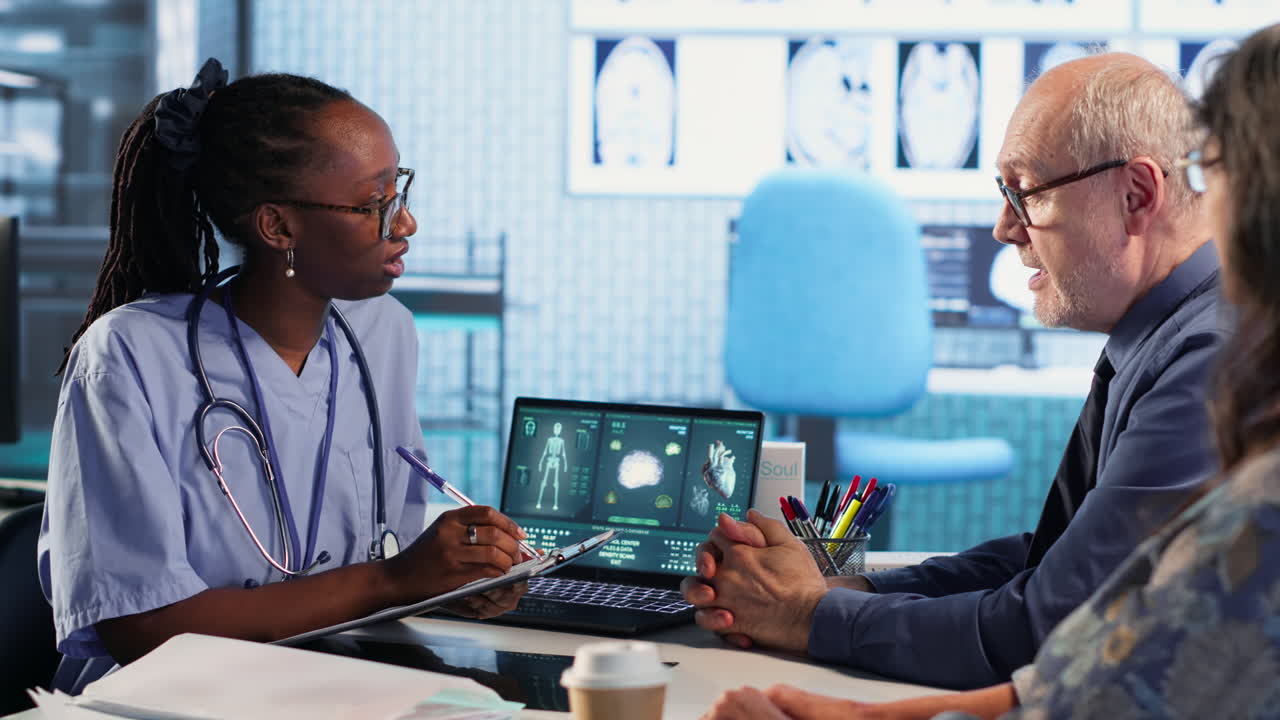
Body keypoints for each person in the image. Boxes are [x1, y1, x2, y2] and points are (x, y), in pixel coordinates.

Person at [701, 22, 1280, 719]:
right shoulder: (1161, 333)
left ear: (1136, 195)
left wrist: (805, 616)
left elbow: (1045, 627)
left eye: (1025, 192)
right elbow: (1056, 560)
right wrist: (838, 594)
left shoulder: (1210, 355)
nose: (1005, 229)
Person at [38, 59, 528, 694]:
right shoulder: (128, 356)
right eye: (373, 203)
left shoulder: (384, 333)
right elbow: (143, 632)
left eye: (399, 190)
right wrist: (397, 581)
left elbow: (384, 559)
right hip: (168, 699)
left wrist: (457, 581)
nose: (405, 224)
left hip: (336, 680)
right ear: (277, 226)